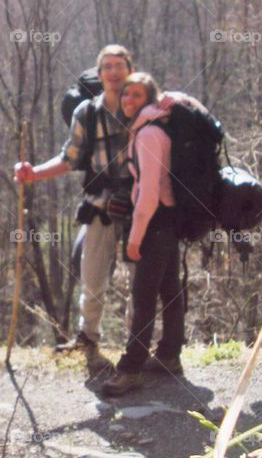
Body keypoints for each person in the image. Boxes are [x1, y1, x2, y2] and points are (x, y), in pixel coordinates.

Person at [13, 46, 188, 368]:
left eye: (119, 65)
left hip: (143, 208)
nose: (113, 72)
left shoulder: (146, 107)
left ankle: (139, 347)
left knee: (143, 283)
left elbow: (174, 110)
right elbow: (70, 158)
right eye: (106, 66)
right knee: (92, 274)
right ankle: (88, 336)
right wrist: (33, 173)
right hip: (99, 203)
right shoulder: (87, 113)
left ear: (129, 69)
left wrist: (169, 101)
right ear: (98, 73)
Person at [101, 71, 186, 396]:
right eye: (125, 94)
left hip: (155, 222)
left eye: (136, 95)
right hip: (168, 218)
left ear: (149, 99)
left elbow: (148, 193)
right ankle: (169, 355)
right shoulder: (154, 127)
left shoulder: (149, 134)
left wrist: (135, 238)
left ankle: (131, 368)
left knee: (144, 296)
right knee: (169, 290)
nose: (128, 100)